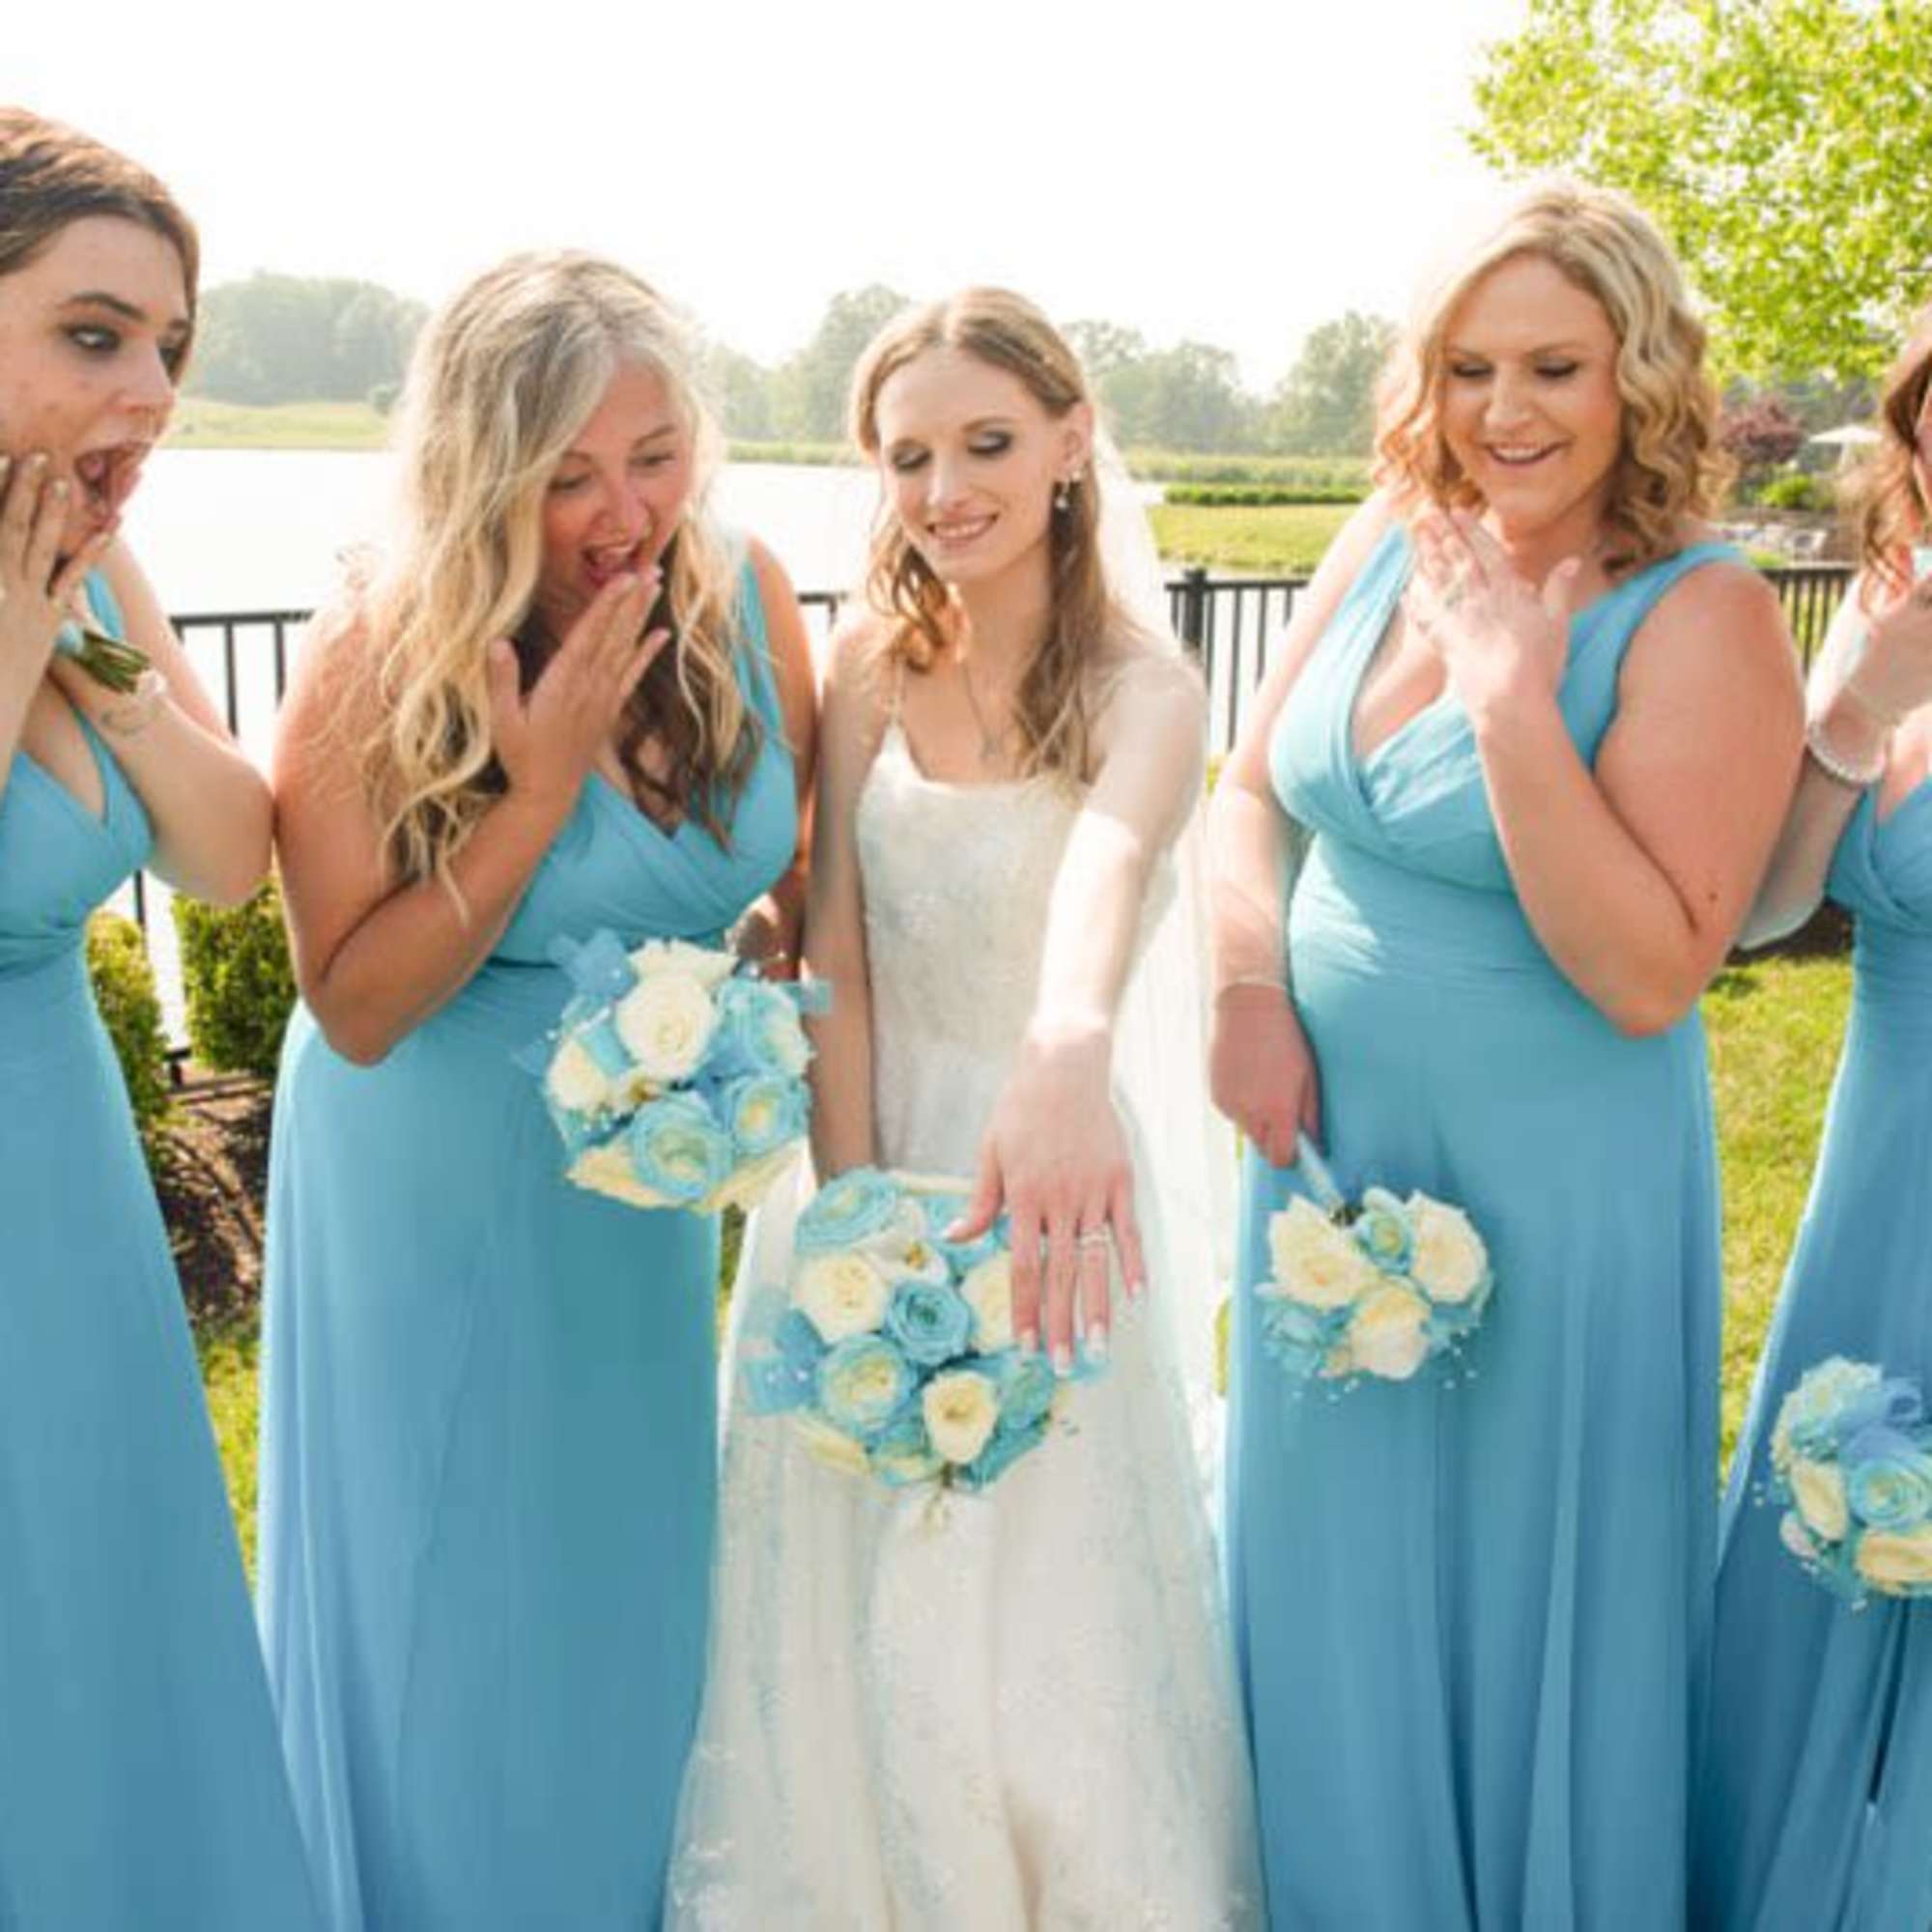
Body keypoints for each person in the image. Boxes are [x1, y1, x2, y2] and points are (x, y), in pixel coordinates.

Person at [1208, 180, 1804, 1927]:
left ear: (1642, 373)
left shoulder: (1707, 616)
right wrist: (1247, 987)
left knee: (1516, 1597)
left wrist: (1508, 703)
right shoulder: (1387, 534)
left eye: (1555, 364)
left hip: (1554, 1190)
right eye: (1469, 367)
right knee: (1330, 1578)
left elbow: (1647, 973)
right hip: (1326, 1153)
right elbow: (1250, 792)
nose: (1504, 412)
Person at [668, 288, 1261, 1928]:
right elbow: (835, 927)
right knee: (846, 1598)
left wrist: (1066, 1048)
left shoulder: (1146, 688)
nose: (946, 492)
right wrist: (857, 1210)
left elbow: (1112, 868)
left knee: (1049, 1612)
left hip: (1049, 1195)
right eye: (909, 455)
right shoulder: (864, 655)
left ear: (1072, 443)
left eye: (987, 444)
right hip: (861, 1165)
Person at [259, 251, 813, 1929]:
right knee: (450, 1592)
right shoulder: (387, 632)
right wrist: (537, 791)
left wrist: (758, 950)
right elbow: (353, 1003)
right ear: (480, 468)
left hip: (633, 1192)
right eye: (565, 473)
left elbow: (761, 872)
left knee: (622, 1575)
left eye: (652, 454)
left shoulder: (745, 591)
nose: (620, 509)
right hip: (432, 1168)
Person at [0, 106, 321, 1927]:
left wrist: (88, 650)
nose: (149, 389)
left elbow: (224, 857)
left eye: (170, 350)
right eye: (93, 332)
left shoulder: (96, 580)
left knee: (110, 1612)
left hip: (66, 1189)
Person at [1693, 302, 1932, 1932]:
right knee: (1831, 1549)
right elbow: (1764, 914)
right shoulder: (1891, 622)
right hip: (1877, 1198)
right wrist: (1852, 704)